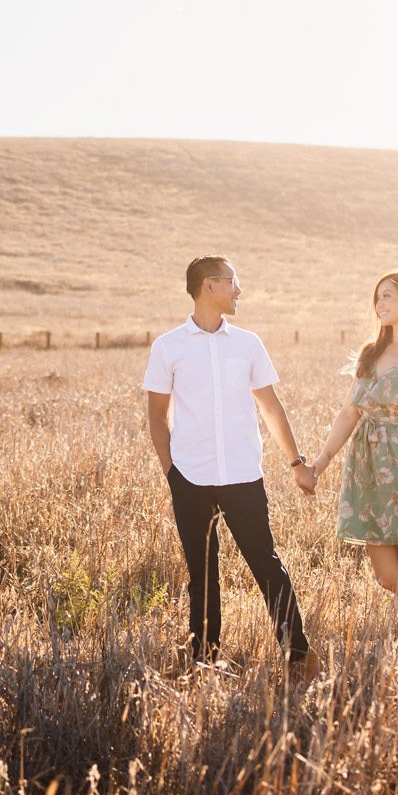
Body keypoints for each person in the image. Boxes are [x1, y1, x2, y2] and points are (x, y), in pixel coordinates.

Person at [144, 255, 318, 678]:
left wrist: (296, 462)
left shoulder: (248, 343)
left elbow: (271, 408)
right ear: (208, 285)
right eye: (232, 282)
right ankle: (203, 659)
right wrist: (173, 473)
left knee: (266, 564)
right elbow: (156, 415)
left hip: (243, 475)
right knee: (202, 574)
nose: (239, 290)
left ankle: (298, 655)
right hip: (191, 478)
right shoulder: (168, 346)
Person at [303, 271, 398, 636]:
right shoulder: (371, 354)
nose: (380, 304)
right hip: (367, 473)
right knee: (388, 577)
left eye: (388, 296)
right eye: (378, 297)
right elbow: (349, 413)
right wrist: (320, 463)